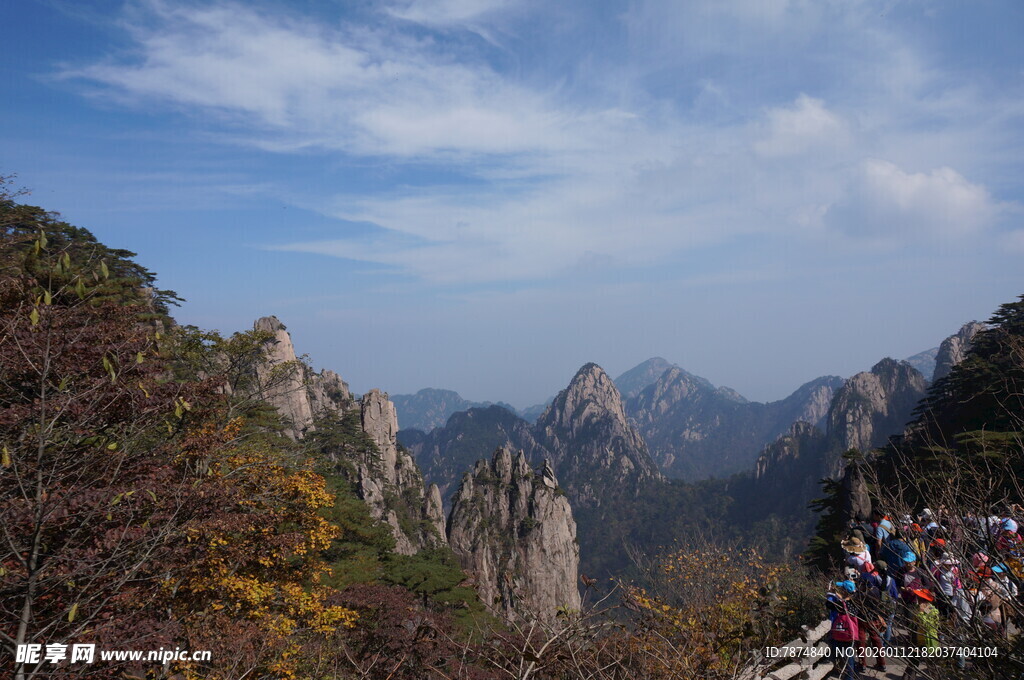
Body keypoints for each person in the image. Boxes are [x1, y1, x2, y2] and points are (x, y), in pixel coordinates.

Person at [903, 589, 940, 680]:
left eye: (918, 598)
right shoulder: (918, 608)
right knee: (912, 663)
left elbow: (926, 625)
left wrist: (920, 613)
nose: (917, 599)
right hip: (917, 641)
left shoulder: (932, 610)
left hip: (929, 642)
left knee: (931, 666)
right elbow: (914, 624)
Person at [827, 581, 859, 680]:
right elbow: (844, 601)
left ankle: (849, 677)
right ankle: (853, 673)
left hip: (845, 633)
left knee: (847, 656)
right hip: (852, 632)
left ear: (845, 591)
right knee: (850, 654)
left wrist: (829, 593)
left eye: (842, 589)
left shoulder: (842, 604)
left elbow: (829, 605)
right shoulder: (855, 601)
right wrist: (836, 594)